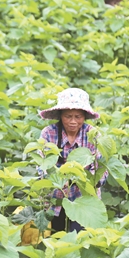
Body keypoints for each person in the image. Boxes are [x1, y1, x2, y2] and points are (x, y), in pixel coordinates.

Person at [37, 87, 108, 233]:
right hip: (54, 200)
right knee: (56, 239)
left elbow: (101, 168)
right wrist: (57, 181)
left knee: (80, 239)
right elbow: (41, 166)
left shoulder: (92, 135)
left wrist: (86, 180)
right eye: (68, 116)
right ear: (60, 115)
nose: (73, 121)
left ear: (85, 116)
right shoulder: (49, 134)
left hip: (83, 199)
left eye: (78, 116)